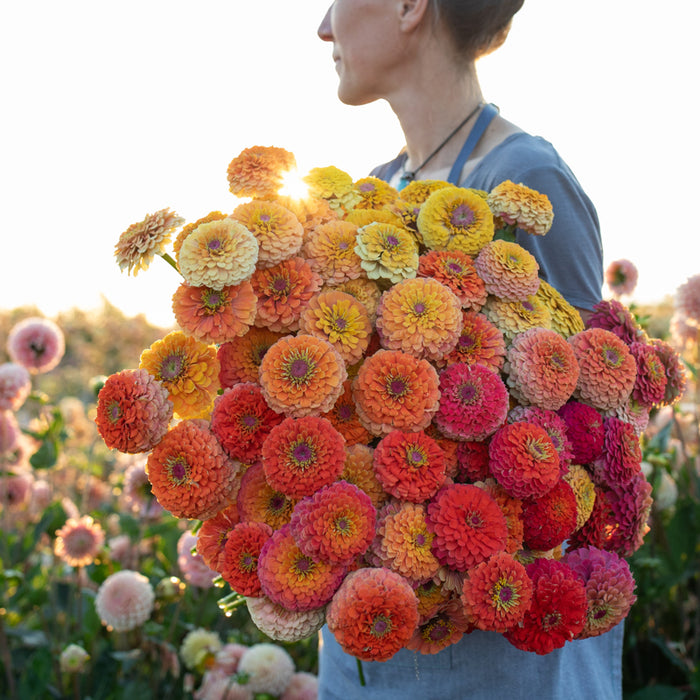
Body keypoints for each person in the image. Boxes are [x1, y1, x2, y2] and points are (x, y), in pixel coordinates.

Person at [316, 1, 619, 699]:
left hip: (485, 655)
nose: (323, 27)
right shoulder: (374, 190)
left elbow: (589, 430)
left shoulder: (524, 181)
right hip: (364, 637)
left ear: (409, 6)